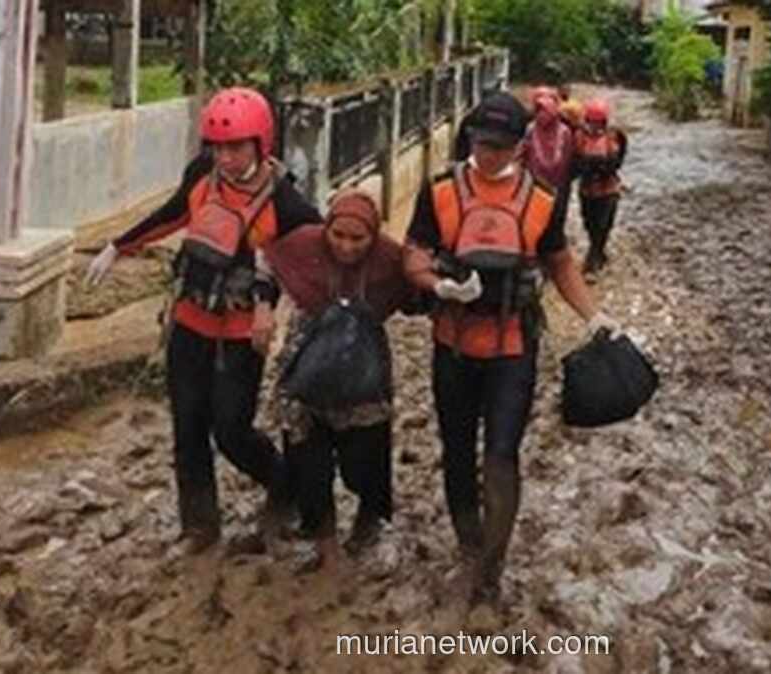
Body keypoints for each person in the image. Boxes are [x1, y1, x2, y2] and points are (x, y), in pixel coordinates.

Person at [402, 92, 624, 605]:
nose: (488, 155)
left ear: (519, 144)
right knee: (457, 448)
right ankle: (467, 539)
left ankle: (491, 566)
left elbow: (560, 262)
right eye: (481, 144)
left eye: (500, 146)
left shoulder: (542, 198)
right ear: (470, 138)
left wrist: (595, 317)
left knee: (502, 454)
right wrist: (436, 285)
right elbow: (413, 252)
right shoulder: (440, 191)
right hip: (453, 341)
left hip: (513, 346)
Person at [83, 87, 323, 552]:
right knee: (188, 427)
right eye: (218, 147)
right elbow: (171, 215)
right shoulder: (201, 177)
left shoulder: (286, 203)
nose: (226, 157)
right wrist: (118, 246)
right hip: (190, 320)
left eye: (236, 147)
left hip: (239, 333)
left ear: (261, 144)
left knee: (231, 429)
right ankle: (198, 526)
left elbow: (299, 261)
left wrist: (267, 303)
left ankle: (283, 483)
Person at [265, 189, 419, 575]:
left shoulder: (391, 261)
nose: (346, 247)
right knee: (306, 453)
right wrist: (261, 309)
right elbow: (267, 268)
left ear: (373, 238)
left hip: (363, 364)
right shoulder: (300, 248)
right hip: (306, 359)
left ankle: (370, 520)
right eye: (338, 235)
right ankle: (326, 545)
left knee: (365, 453)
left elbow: (417, 296)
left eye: (357, 239)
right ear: (325, 229)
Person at [572, 98, 629, 273]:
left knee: (603, 225)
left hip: (608, 190)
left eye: (599, 123)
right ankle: (597, 251)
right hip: (587, 189)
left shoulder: (613, 136)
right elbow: (574, 160)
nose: (595, 126)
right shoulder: (579, 136)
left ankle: (594, 258)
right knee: (588, 223)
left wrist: (605, 165)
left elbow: (619, 160)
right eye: (592, 122)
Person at [522, 86, 576, 234]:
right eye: (538, 109)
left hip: (559, 186)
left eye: (545, 109)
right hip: (534, 185)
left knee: (556, 222)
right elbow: (521, 156)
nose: (542, 114)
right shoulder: (529, 130)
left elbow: (570, 160)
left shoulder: (565, 132)